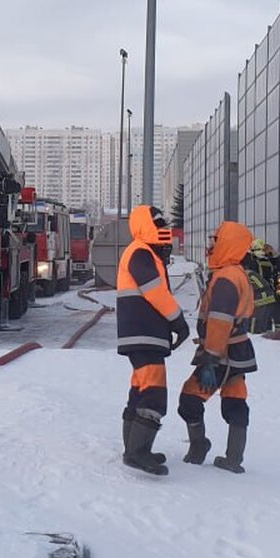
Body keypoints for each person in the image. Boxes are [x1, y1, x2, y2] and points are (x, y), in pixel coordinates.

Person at [177, 221, 257, 474]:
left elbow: (220, 321)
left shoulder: (225, 278)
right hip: (239, 350)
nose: (210, 245)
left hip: (221, 352)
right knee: (235, 399)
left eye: (216, 240)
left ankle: (199, 445)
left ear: (228, 243)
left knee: (189, 399)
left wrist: (210, 358)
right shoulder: (236, 273)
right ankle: (234, 458)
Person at [116, 204, 190, 476]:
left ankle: (134, 449)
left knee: (139, 390)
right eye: (158, 223)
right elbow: (155, 292)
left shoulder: (144, 253)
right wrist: (178, 321)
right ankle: (137, 452)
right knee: (154, 393)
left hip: (143, 334)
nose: (164, 229)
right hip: (144, 333)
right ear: (146, 225)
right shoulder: (141, 253)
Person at [243, 240, 275, 333]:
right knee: (266, 317)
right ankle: (267, 333)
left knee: (255, 316)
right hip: (269, 293)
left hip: (259, 293)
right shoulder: (268, 262)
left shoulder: (253, 264)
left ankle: (254, 334)